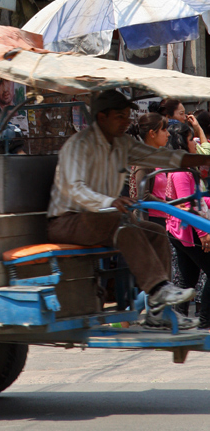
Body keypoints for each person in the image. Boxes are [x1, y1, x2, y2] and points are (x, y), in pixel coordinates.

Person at [47, 89, 210, 330]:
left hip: (99, 219)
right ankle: (157, 290)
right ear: (102, 117)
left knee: (154, 231)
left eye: (127, 116)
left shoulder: (121, 143)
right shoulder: (78, 146)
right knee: (122, 222)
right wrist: (110, 202)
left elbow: (162, 158)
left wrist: (200, 160)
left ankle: (158, 311)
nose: (126, 122)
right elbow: (75, 189)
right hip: (67, 222)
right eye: (119, 117)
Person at [166, 122, 210, 329]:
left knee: (187, 278)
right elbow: (189, 204)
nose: (195, 143)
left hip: (179, 231)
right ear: (182, 142)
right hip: (188, 231)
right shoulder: (182, 171)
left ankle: (178, 321)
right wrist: (203, 233)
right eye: (191, 139)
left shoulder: (181, 168)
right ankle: (205, 321)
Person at [129, 113, 170, 226]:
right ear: (152, 133)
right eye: (164, 130)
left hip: (159, 219)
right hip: (148, 222)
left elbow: (158, 194)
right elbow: (144, 195)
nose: (168, 134)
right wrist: (169, 205)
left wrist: (174, 202)